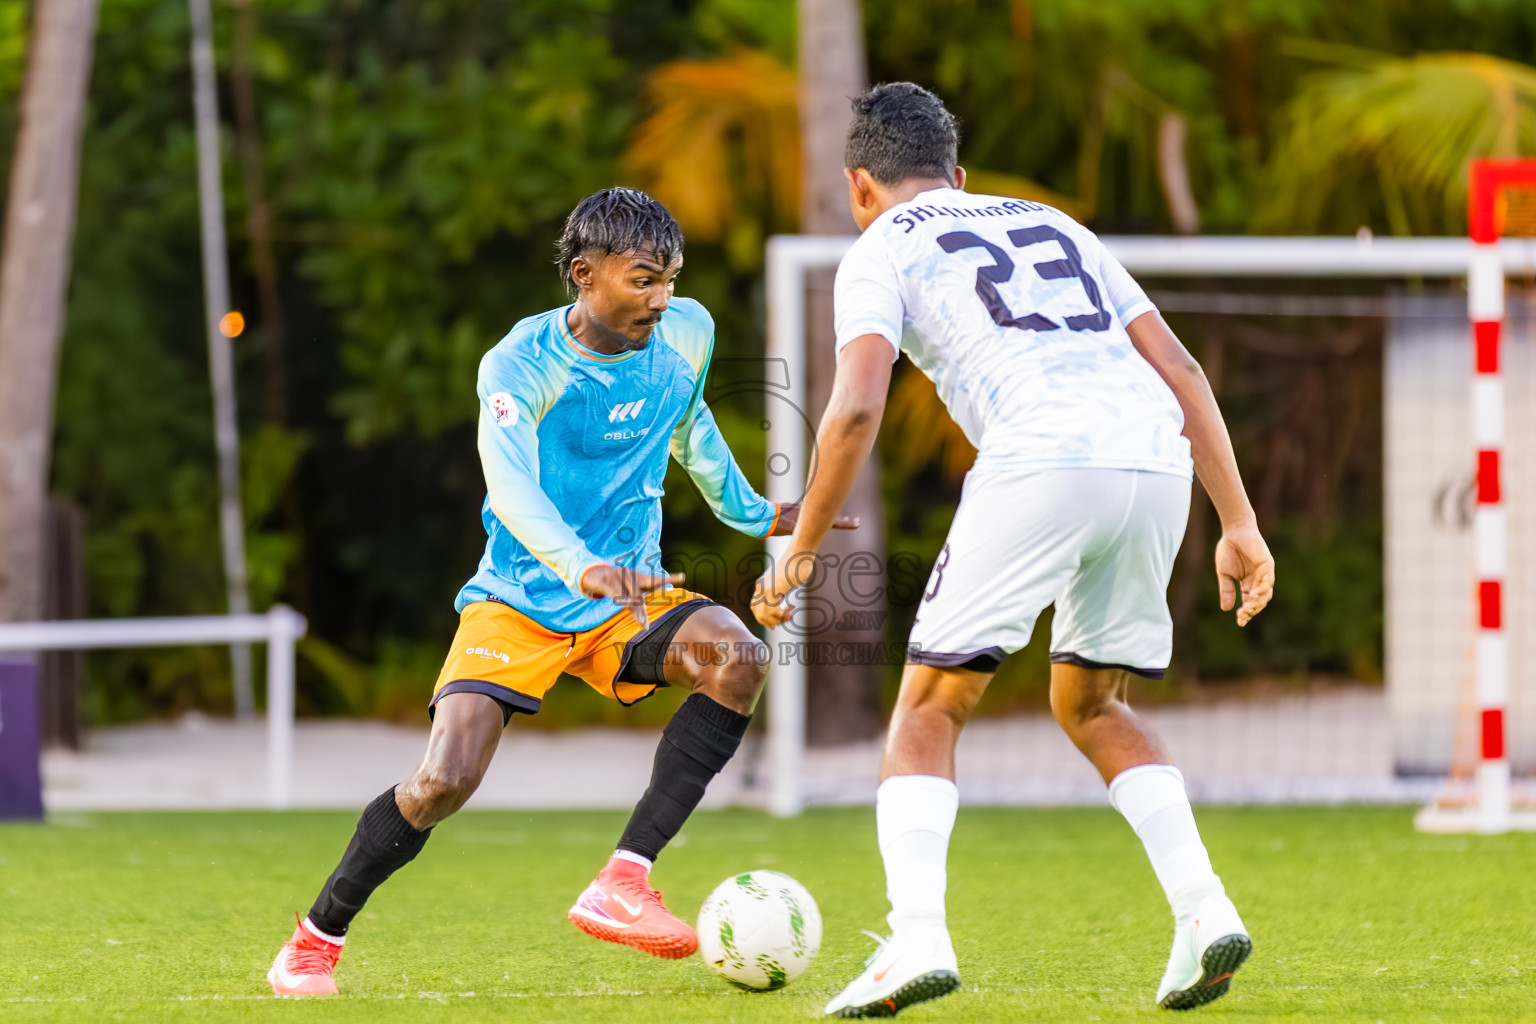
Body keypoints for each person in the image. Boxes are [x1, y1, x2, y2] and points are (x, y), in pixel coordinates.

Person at [753, 83, 1275, 1018]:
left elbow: (857, 406)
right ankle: (1205, 910)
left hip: (1042, 457)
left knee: (929, 706)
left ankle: (915, 937)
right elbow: (1183, 370)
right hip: (1156, 460)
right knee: (1092, 702)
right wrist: (1238, 522)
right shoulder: (1056, 224)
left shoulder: (879, 246)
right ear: (957, 174)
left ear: (859, 187)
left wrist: (796, 550)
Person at [268, 187, 855, 996]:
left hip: (628, 599)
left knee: (738, 657)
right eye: (644, 279)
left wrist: (760, 515)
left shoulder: (688, 331)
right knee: (443, 781)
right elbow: (509, 486)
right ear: (585, 274)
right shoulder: (520, 364)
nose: (663, 298)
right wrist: (581, 565)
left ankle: (624, 880)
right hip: (520, 598)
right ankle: (315, 935)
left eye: (671, 279)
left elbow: (689, 429)